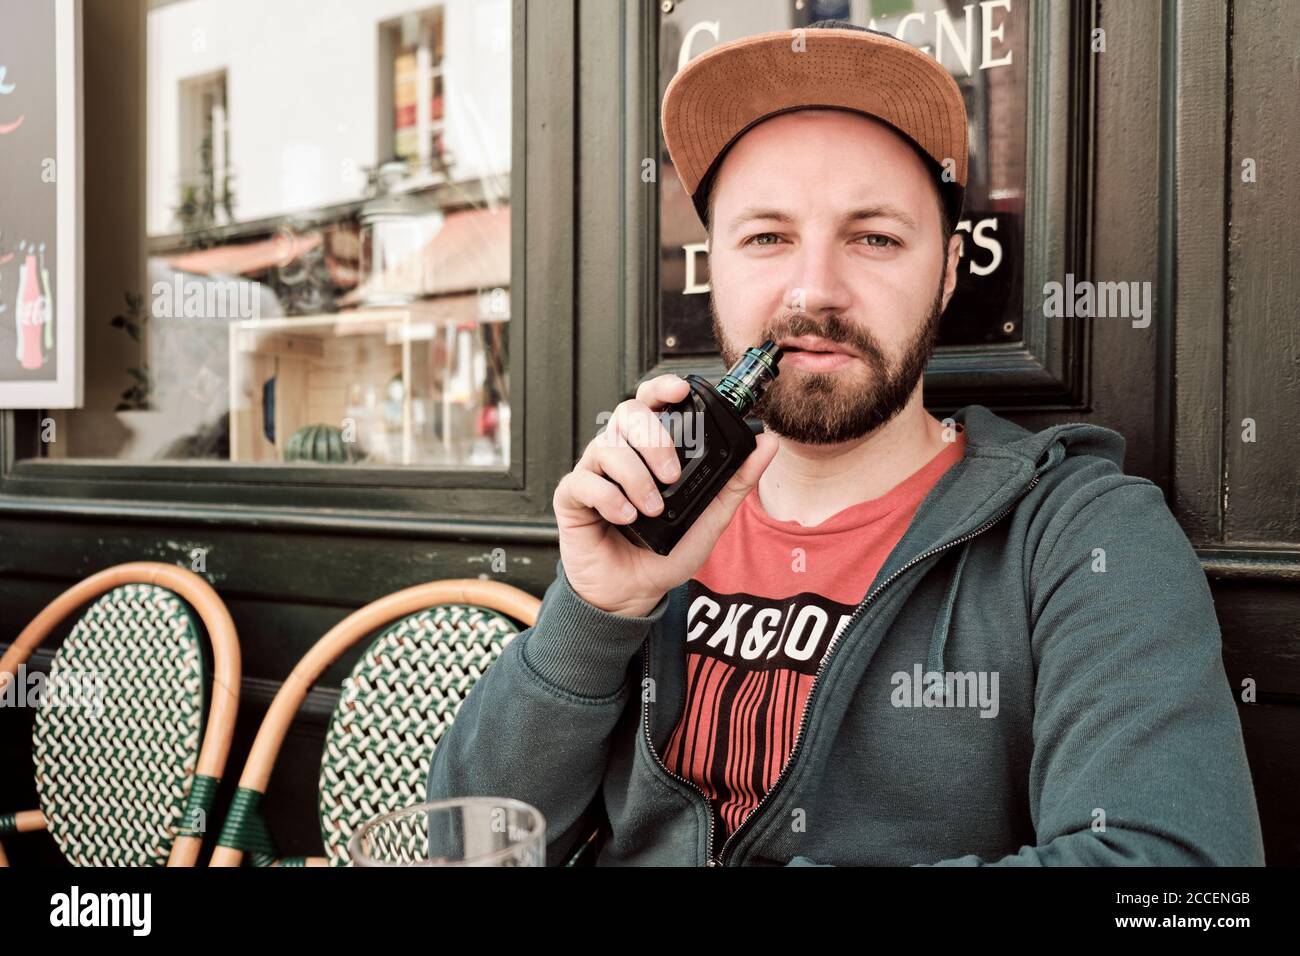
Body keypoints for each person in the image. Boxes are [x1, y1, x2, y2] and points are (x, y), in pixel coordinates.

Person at [428, 20, 1264, 866]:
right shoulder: (651, 502)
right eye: (766, 237)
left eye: (874, 238)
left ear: (946, 273)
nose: (813, 290)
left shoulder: (1083, 534)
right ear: (712, 266)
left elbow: (1181, 879)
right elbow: (467, 839)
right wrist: (595, 614)